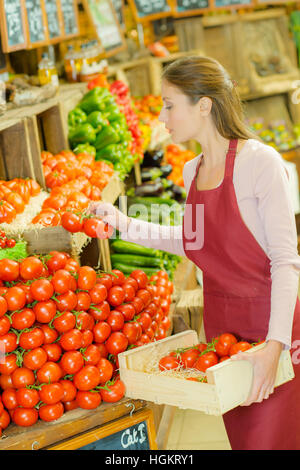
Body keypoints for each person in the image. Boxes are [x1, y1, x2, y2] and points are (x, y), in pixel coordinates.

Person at [88, 56, 300, 450]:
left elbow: (286, 264)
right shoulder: (192, 171)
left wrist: (275, 347)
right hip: (221, 336)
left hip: (273, 330)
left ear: (204, 105)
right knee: (243, 440)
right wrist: (122, 222)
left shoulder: (260, 163)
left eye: (170, 104)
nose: (164, 116)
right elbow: (191, 240)